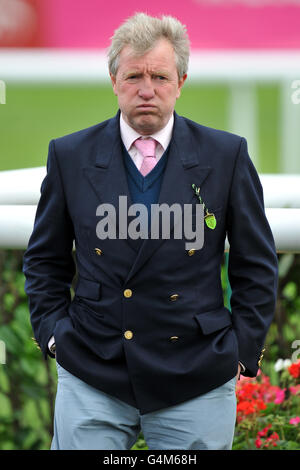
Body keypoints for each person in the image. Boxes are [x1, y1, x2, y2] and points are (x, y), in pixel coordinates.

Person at [23, 12, 278, 450]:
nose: (146, 90)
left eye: (159, 76)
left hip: (196, 371)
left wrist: (242, 351)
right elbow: (44, 260)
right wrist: (53, 336)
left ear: (181, 81)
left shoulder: (226, 154)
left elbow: (256, 264)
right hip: (92, 368)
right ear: (113, 79)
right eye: (134, 75)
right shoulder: (68, 155)